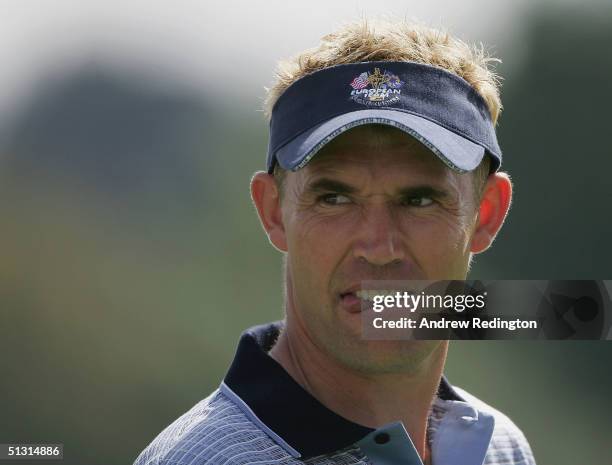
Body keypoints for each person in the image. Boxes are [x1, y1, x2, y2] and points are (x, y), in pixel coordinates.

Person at [134, 19, 536, 465]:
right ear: (273, 210)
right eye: (335, 197)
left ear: (486, 214)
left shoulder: (501, 449)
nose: (379, 247)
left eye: (419, 199)